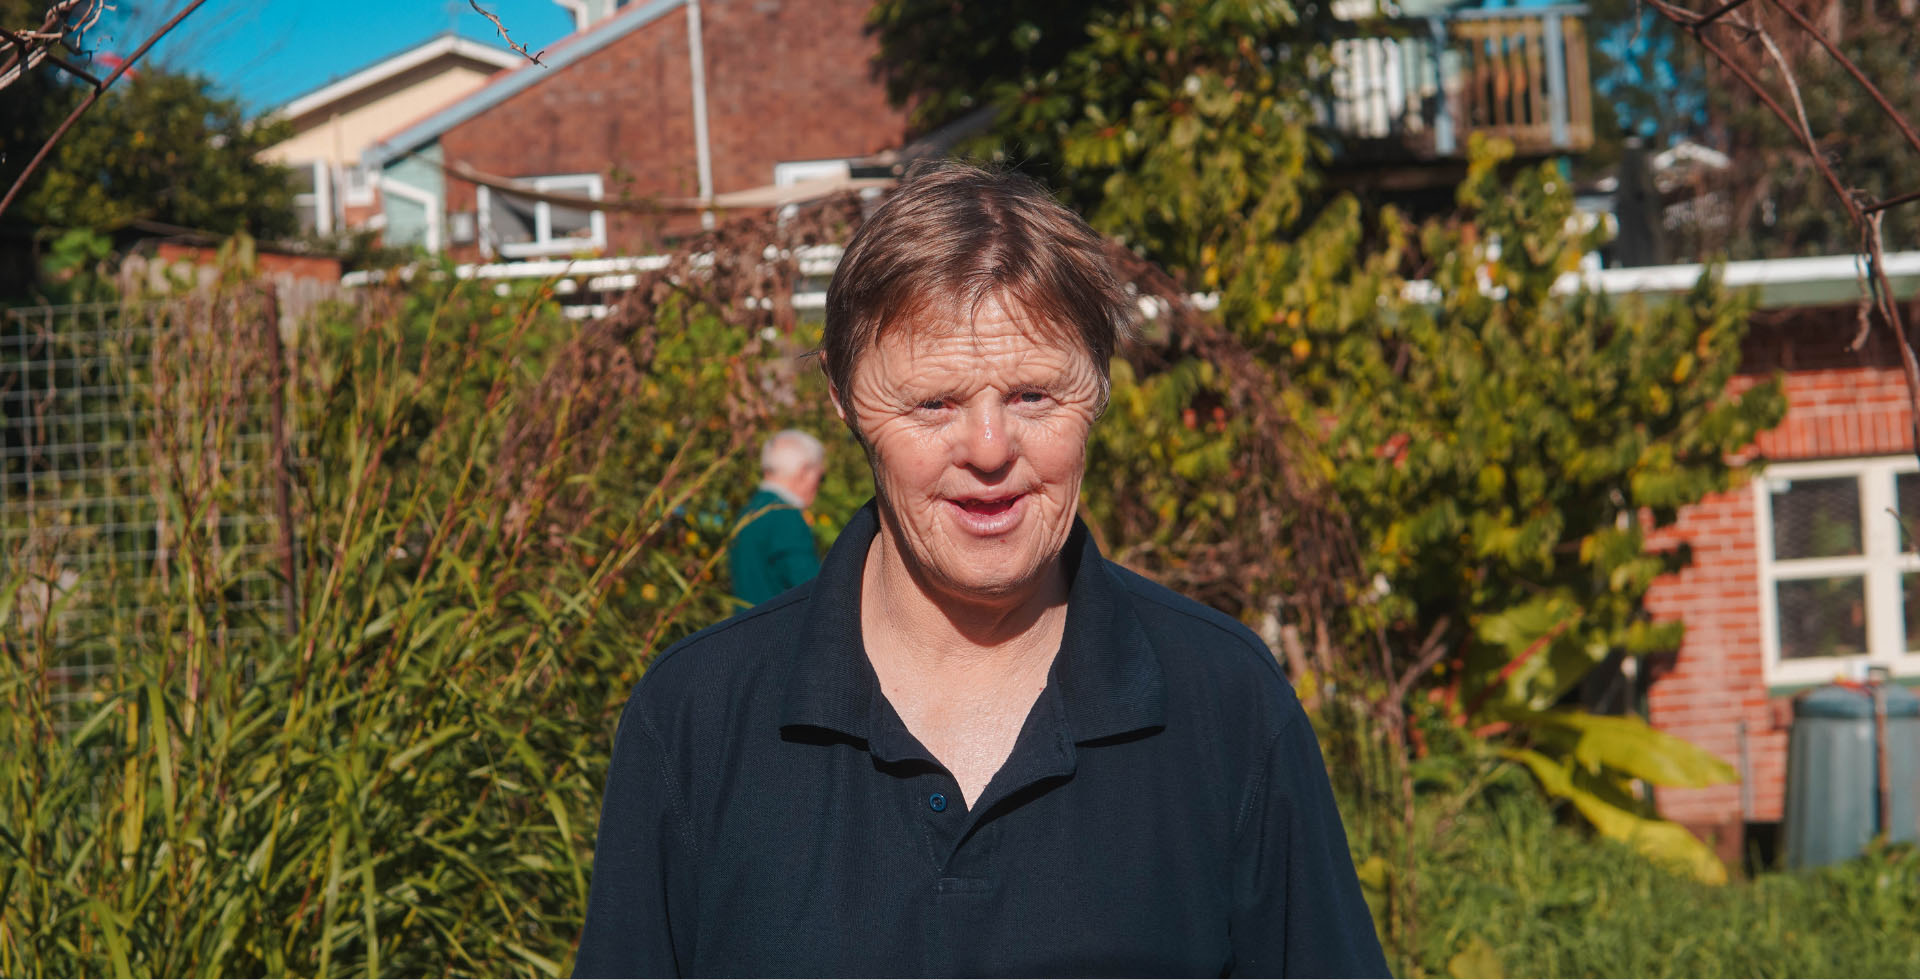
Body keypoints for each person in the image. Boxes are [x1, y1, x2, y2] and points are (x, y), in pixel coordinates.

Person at [576, 163, 1389, 978]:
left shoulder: (1225, 706)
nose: (991, 450)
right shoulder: (698, 721)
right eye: (933, 403)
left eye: (1034, 394)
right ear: (843, 399)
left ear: (1099, 388)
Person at [729, 429, 826, 605]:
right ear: (804, 471)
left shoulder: (748, 511)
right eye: (821, 477)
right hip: (782, 630)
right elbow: (815, 591)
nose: (819, 485)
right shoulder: (786, 517)